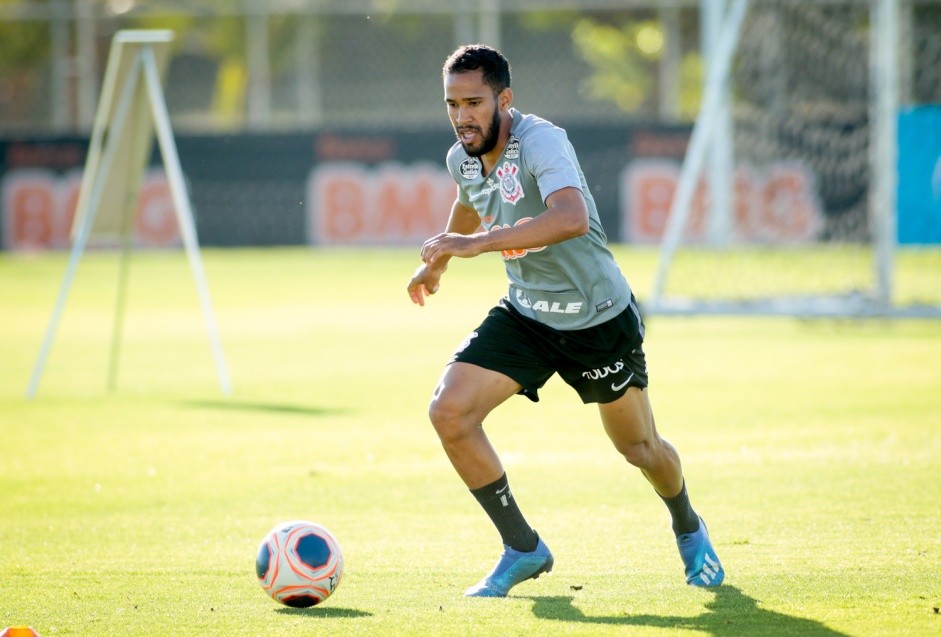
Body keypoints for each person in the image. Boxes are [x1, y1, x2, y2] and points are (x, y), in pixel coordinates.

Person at [406, 44, 724, 598]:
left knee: (639, 449)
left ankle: (689, 527)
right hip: (527, 313)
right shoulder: (462, 154)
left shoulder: (541, 140)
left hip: (596, 318)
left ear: (504, 98)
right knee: (449, 412)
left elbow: (571, 218)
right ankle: (523, 547)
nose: (462, 117)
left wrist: (476, 244)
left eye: (475, 102)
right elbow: (469, 198)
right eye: (452, 104)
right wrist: (438, 264)